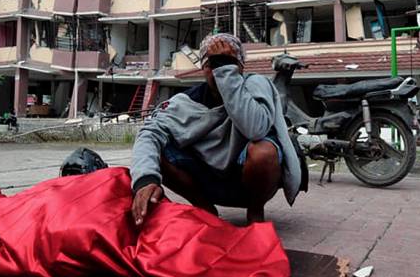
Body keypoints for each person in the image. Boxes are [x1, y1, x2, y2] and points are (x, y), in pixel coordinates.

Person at [130, 33, 304, 225]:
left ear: (240, 67)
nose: (219, 70)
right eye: (213, 64)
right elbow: (149, 132)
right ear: (204, 69)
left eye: (228, 63)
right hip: (206, 181)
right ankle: (204, 207)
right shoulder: (185, 101)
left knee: (264, 151)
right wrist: (145, 180)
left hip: (249, 180)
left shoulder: (256, 84)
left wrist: (226, 73)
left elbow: (256, 129)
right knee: (157, 149)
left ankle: (255, 210)